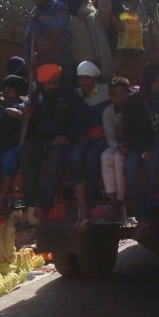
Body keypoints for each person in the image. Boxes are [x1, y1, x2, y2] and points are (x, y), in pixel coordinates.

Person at [20, 64, 82, 219]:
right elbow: (28, 124)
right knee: (26, 153)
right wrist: (26, 115)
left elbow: (81, 120)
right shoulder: (33, 98)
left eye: (55, 83)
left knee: (57, 159)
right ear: (41, 84)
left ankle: (43, 205)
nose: (53, 86)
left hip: (62, 140)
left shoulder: (69, 96)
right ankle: (32, 203)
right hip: (39, 139)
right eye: (49, 84)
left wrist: (68, 137)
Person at [122, 63, 159, 238]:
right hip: (139, 145)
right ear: (148, 81)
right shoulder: (132, 101)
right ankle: (141, 219)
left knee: (150, 168)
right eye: (156, 82)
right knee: (130, 168)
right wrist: (142, 151)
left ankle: (148, 215)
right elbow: (129, 132)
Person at [70, 61, 111, 232]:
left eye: (87, 79)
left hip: (103, 138)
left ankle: (93, 199)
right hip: (84, 138)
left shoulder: (106, 91)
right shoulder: (75, 95)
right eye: (80, 79)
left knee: (93, 157)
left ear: (94, 79)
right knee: (74, 158)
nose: (83, 82)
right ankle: (83, 207)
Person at [0, 74, 27, 222]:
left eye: (10, 90)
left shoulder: (21, 103)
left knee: (8, 161)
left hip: (16, 146)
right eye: (4, 90)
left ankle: (1, 203)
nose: (6, 93)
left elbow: (21, 115)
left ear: (16, 92)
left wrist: (7, 109)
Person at [23, 0, 71, 72]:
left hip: (61, 66)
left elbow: (56, 32)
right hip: (42, 66)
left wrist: (37, 25)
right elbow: (28, 40)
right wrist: (28, 60)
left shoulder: (59, 8)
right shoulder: (34, 13)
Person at [68, 0, 114, 82]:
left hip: (94, 66)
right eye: (86, 2)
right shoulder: (69, 22)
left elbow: (105, 7)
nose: (90, 3)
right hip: (74, 68)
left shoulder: (94, 20)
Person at [101, 77, 130, 223]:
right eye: (116, 95)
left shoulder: (133, 107)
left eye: (122, 94)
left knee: (118, 158)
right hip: (116, 145)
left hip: (132, 145)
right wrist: (119, 146)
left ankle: (120, 199)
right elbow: (110, 137)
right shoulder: (108, 112)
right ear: (111, 97)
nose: (119, 98)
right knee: (106, 157)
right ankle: (112, 199)